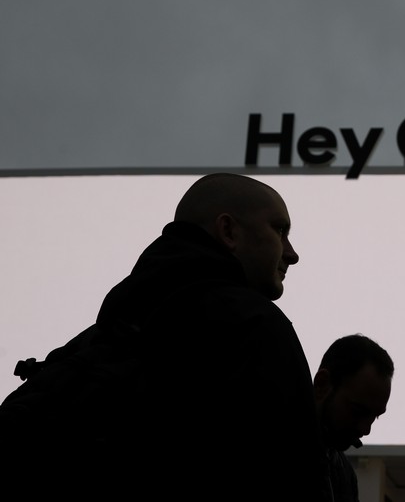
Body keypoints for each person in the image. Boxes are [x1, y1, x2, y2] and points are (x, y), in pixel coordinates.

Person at [0, 173, 329, 499]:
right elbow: (296, 475)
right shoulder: (256, 327)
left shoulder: (101, 335)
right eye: (279, 230)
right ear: (228, 230)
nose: (291, 253)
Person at [314, 334, 394, 502]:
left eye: (375, 417)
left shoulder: (344, 474)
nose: (366, 430)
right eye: (358, 411)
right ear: (322, 384)